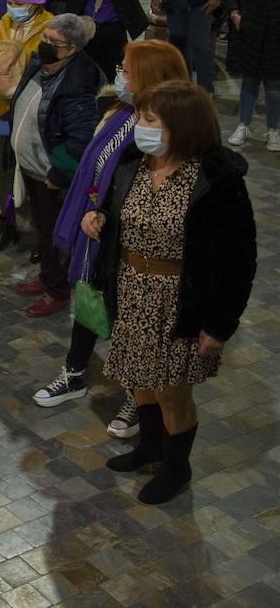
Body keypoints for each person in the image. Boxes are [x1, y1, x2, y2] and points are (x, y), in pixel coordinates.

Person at [86, 82, 255, 504]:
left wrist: (220, 325)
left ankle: (177, 468)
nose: (139, 126)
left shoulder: (216, 180)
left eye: (149, 119)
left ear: (182, 125)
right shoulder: (135, 161)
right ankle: (150, 447)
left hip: (180, 301)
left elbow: (239, 261)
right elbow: (115, 206)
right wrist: (99, 216)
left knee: (172, 390)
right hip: (131, 289)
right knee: (137, 377)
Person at [33, 41, 189, 441]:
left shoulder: (160, 130)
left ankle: (139, 397)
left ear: (150, 77)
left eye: (127, 69)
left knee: (127, 318)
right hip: (98, 228)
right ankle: (75, 373)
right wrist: (94, 210)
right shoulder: (120, 113)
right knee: (89, 299)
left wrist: (105, 215)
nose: (120, 74)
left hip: (132, 244)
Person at [0, 13, 104, 317]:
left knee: (54, 234)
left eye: (53, 42)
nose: (44, 44)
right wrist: (1, 123)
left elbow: (80, 137)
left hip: (50, 175)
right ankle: (46, 276)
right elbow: (25, 105)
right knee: (43, 229)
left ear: (72, 48)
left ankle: (57, 291)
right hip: (31, 168)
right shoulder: (39, 64)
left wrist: (57, 174)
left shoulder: (79, 80)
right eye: (45, 37)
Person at [224, 0, 280, 151]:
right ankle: (243, 125)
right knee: (249, 82)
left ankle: (274, 130)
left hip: (276, 34)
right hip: (250, 30)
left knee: (274, 86)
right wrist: (235, 13)